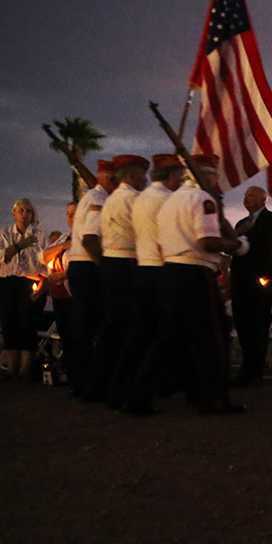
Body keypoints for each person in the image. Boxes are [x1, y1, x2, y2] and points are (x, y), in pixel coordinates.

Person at [124, 155, 249, 415]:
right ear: (209, 176)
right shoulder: (201, 200)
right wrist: (238, 246)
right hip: (195, 273)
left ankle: (138, 397)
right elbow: (207, 242)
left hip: (169, 271)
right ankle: (213, 399)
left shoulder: (172, 201)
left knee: (167, 339)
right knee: (214, 337)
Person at [105, 154, 185, 409]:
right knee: (160, 334)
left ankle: (120, 390)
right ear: (172, 176)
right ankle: (143, 392)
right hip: (158, 270)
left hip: (142, 269)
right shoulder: (162, 200)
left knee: (137, 336)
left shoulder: (143, 199)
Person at [84, 154, 149, 403]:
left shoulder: (110, 200)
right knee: (131, 328)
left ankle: (98, 384)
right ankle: (123, 386)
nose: (145, 180)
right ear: (132, 176)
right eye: (143, 175)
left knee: (112, 330)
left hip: (112, 263)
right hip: (126, 262)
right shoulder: (132, 199)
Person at [65, 159, 116, 396]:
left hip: (80, 267)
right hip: (88, 267)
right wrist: (104, 268)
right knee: (92, 326)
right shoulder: (98, 200)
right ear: (110, 178)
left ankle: (80, 380)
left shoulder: (92, 198)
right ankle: (88, 382)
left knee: (84, 327)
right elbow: (90, 239)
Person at [230, 186, 272, 387]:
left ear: (264, 199)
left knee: (258, 326)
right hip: (240, 281)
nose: (246, 199)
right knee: (243, 325)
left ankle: (254, 370)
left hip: (260, 282)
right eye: (245, 196)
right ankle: (247, 366)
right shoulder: (242, 224)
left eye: (251, 195)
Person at [0, 199, 48, 380]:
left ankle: (24, 371)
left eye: (28, 211)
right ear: (14, 214)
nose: (24, 214)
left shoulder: (40, 236)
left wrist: (43, 286)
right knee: (9, 325)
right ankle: (12, 370)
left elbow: (47, 264)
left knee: (28, 325)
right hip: (8, 282)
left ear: (33, 215)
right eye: (21, 210)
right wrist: (18, 246)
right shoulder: (5, 234)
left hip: (29, 282)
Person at [41, 203, 78, 381]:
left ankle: (80, 375)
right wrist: (62, 246)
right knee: (66, 336)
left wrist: (64, 274)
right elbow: (44, 255)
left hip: (74, 295)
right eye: (68, 214)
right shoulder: (64, 238)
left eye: (74, 213)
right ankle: (71, 373)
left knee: (77, 335)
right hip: (58, 296)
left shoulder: (85, 236)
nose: (71, 217)